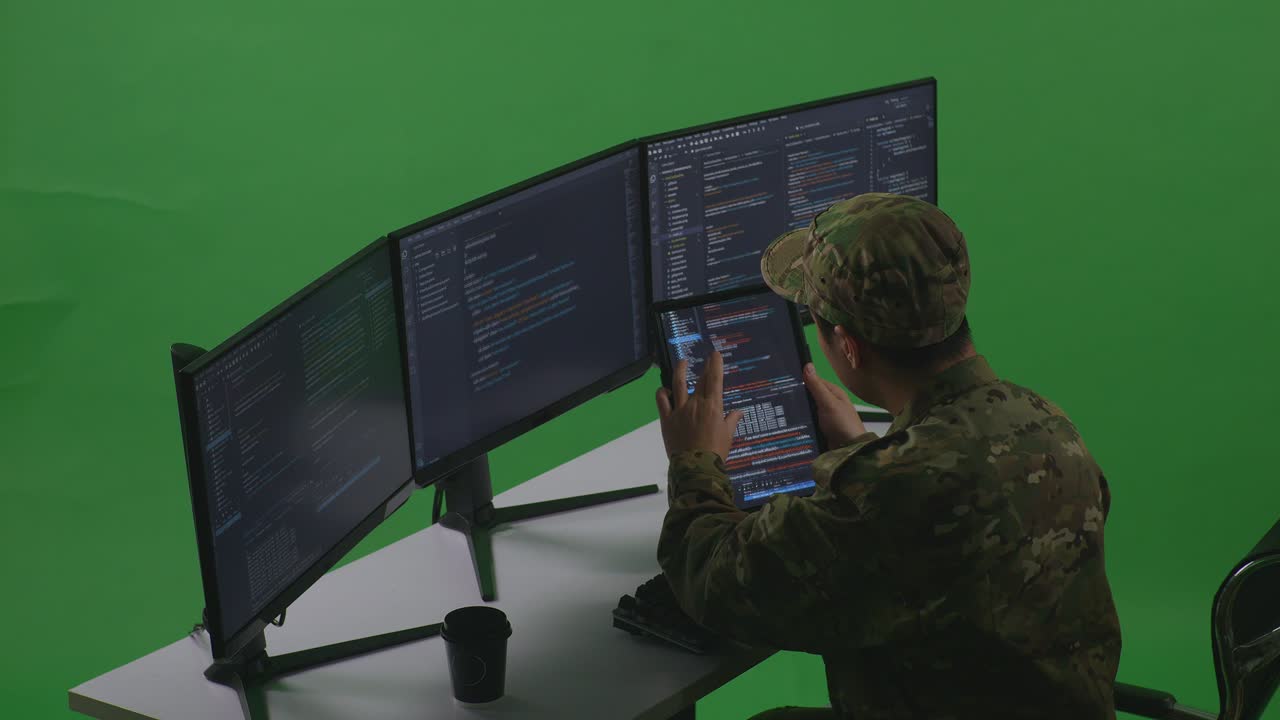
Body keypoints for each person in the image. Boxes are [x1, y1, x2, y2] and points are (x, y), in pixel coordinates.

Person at [654, 193, 1121, 719]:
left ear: (848, 346)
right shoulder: (1040, 418)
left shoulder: (894, 489)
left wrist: (695, 459)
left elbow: (717, 583)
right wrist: (862, 451)